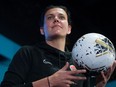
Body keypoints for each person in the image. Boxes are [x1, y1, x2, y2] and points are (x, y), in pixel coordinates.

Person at [0, 5, 116, 87]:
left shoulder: (81, 62)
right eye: (50, 17)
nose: (56, 19)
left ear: (69, 29)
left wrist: (99, 86)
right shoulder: (28, 53)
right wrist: (49, 82)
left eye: (61, 17)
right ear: (42, 30)